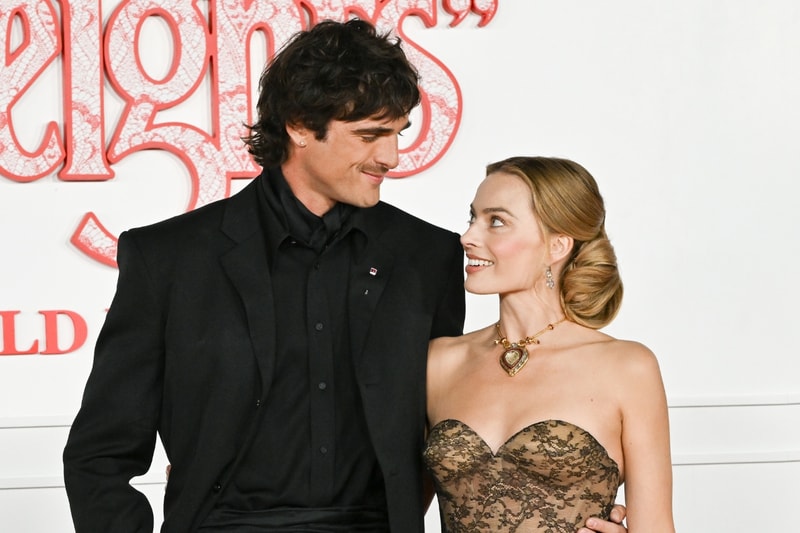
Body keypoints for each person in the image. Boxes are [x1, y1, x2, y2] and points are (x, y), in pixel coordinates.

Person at [62, 19, 628, 533]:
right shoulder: (169, 258)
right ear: (300, 127)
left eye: (398, 132)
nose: (392, 156)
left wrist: (565, 510)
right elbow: (100, 453)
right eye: (370, 135)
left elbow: (452, 427)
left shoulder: (426, 256)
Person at [424, 156, 675, 532]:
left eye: (496, 221)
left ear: (557, 246)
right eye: (472, 218)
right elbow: (396, 512)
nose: (468, 237)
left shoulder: (627, 367)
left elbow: (656, 526)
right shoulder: (439, 361)